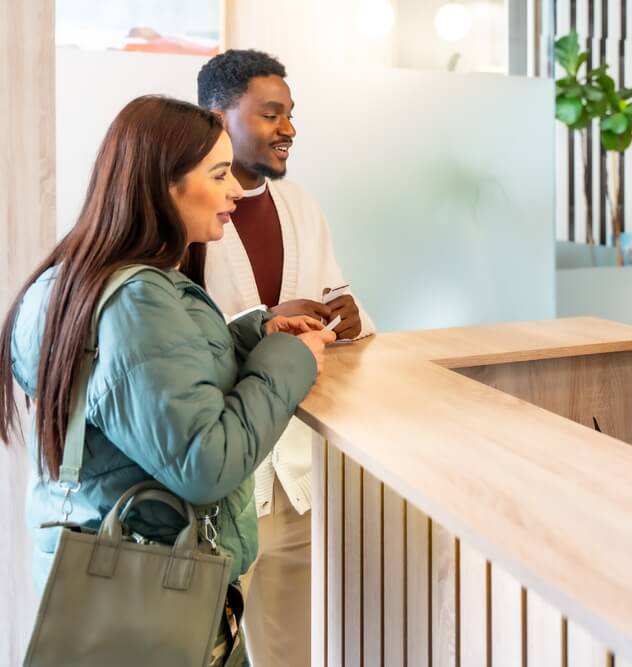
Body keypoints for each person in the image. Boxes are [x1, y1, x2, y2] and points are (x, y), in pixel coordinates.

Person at [0, 95, 336, 665]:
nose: (236, 191)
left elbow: (149, 386)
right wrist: (289, 358)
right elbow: (204, 460)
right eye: (220, 174)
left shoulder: (71, 281)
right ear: (165, 184)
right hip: (161, 588)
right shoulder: (139, 300)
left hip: (97, 577)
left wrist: (256, 331)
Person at [197, 49, 374, 665]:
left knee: (291, 650)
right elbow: (177, 339)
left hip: (296, 473)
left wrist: (348, 314)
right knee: (200, 647)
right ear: (217, 116)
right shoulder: (185, 217)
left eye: (291, 114)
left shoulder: (300, 206)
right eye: (271, 114)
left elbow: (332, 303)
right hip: (218, 483)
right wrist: (266, 324)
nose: (289, 129)